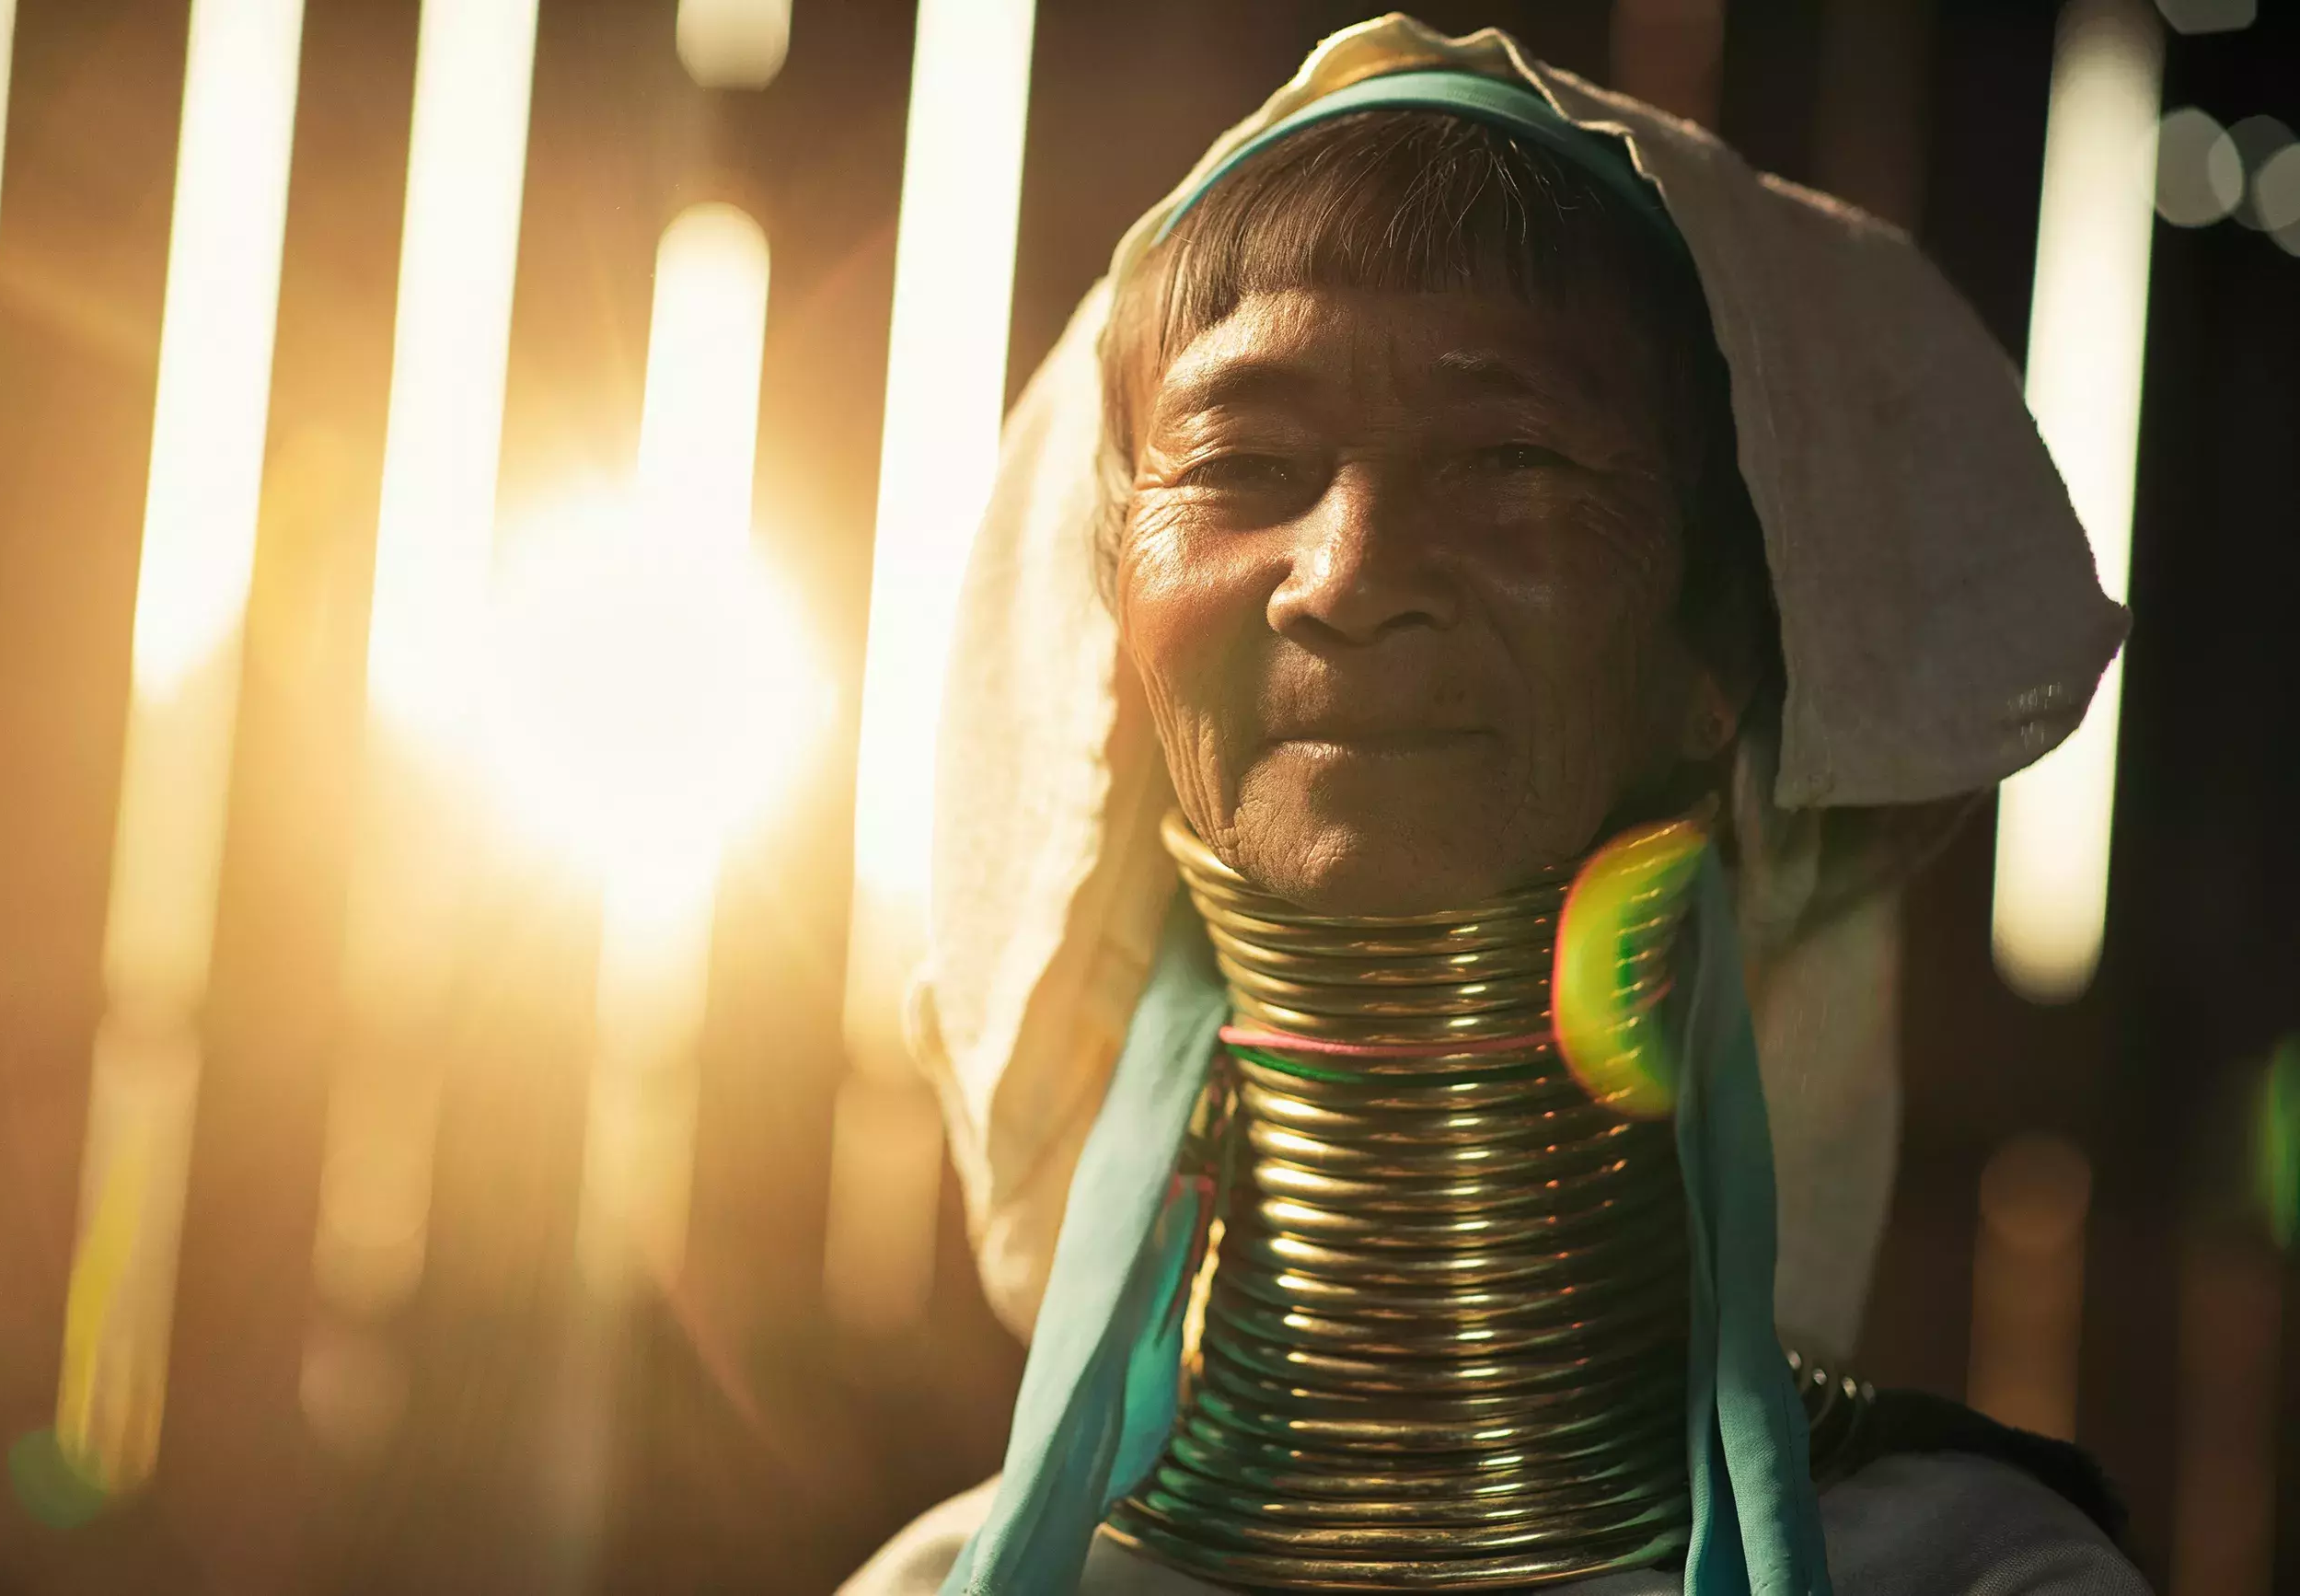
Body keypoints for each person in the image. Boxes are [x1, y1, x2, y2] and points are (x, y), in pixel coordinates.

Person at [845, 16, 2146, 1596]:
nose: (1351, 576)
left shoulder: (1977, 1579)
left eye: (1512, 456)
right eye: (1244, 462)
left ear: (1719, 646)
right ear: (1120, 620)